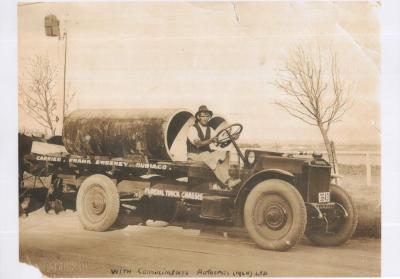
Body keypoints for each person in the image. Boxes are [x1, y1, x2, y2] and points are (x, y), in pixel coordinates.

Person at [187, 105, 241, 189]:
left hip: (205, 154)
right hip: (194, 155)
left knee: (225, 153)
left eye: (207, 116)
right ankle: (226, 182)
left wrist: (232, 138)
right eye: (203, 116)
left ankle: (227, 178)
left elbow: (217, 141)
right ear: (198, 117)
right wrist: (211, 140)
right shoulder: (192, 129)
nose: (205, 118)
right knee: (212, 158)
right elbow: (198, 144)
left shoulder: (210, 129)